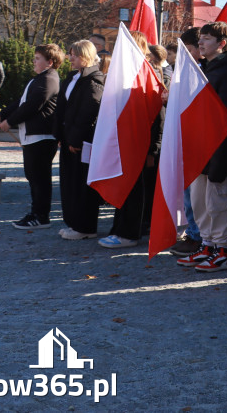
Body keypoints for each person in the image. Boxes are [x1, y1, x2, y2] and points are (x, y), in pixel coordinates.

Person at [175, 22, 227, 272]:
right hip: (202, 149)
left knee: (217, 202)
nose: (202, 43)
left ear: (222, 43)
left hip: (220, 150)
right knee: (200, 202)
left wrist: (222, 153)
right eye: (201, 38)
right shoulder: (205, 69)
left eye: (207, 39)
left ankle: (222, 250)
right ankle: (207, 244)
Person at [98, 31, 165, 249]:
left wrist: (152, 151)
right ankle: (119, 229)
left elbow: (157, 116)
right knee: (124, 186)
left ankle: (129, 233)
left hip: (139, 145)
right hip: (124, 143)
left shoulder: (147, 73)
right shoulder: (126, 73)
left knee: (134, 190)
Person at [0, 44, 62, 230]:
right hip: (34, 137)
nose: (34, 61)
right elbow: (21, 102)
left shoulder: (49, 79)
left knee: (39, 178)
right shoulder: (41, 78)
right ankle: (36, 212)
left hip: (42, 137)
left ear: (50, 62)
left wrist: (10, 122)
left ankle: (41, 216)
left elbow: (33, 105)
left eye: (38, 58)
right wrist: (3, 115)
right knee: (33, 177)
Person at [55, 40, 105, 241]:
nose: (70, 58)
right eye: (70, 54)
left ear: (85, 56)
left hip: (82, 142)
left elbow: (88, 113)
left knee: (82, 185)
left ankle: (85, 226)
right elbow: (63, 110)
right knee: (70, 183)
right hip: (68, 141)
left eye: (74, 54)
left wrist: (75, 139)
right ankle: (74, 223)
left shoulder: (94, 80)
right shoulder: (73, 78)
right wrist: (60, 136)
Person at [169, 26, 205, 257]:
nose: (185, 55)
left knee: (196, 195)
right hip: (184, 138)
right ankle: (193, 232)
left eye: (188, 50)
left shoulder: (202, 72)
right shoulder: (184, 70)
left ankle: (198, 236)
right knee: (187, 193)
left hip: (197, 140)